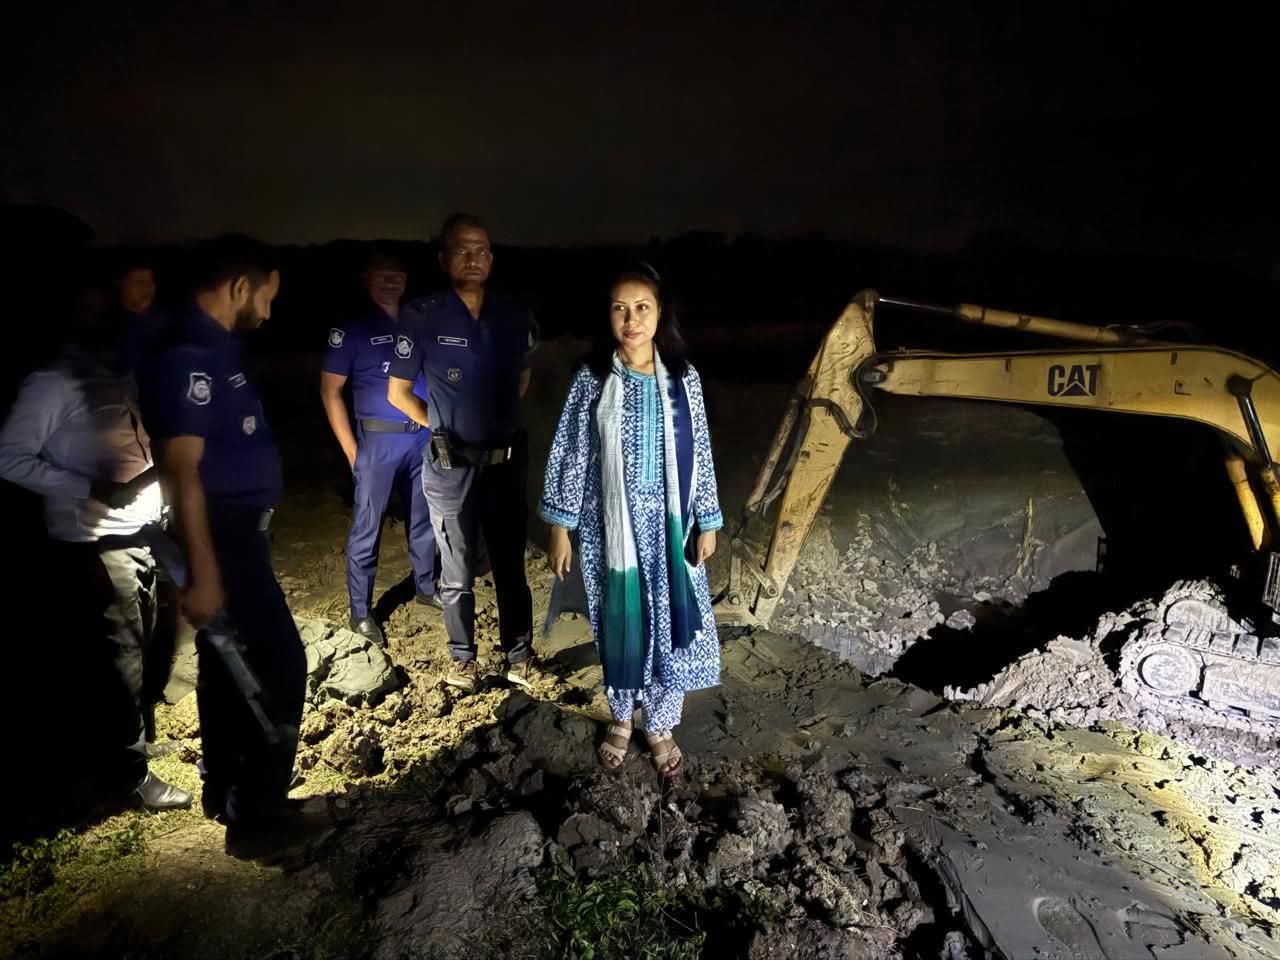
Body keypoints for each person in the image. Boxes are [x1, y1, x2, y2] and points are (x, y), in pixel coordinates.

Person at [139, 235, 312, 856]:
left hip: (237, 531)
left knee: (224, 665)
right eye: (267, 296)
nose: (268, 310)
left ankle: (225, 789)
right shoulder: (188, 354)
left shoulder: (218, 346)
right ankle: (259, 818)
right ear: (241, 286)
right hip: (223, 533)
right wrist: (204, 568)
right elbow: (182, 469)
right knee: (279, 666)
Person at [0, 274, 192, 811]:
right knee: (120, 661)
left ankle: (135, 745)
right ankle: (125, 777)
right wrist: (89, 488)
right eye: (87, 308)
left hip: (143, 533)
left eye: (104, 308)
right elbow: (8, 457)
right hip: (97, 541)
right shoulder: (52, 382)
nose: (100, 317)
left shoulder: (117, 373)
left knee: (145, 648)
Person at [539, 266, 723, 777]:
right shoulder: (593, 378)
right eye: (620, 308)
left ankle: (660, 724)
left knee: (667, 624)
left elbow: (701, 451)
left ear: (661, 313)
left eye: (642, 307)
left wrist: (708, 520)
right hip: (609, 530)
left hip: (670, 529)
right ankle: (622, 715)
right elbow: (571, 453)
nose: (631, 318)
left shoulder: (684, 379)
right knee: (619, 621)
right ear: (608, 315)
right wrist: (560, 526)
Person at [387, 214, 538, 693]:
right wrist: (442, 428)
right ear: (443, 258)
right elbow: (398, 393)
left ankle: (520, 657)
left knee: (511, 566)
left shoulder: (513, 314)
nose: (473, 259)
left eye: (482, 250)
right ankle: (462, 659)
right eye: (462, 250)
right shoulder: (422, 315)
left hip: (505, 464)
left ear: (491, 259)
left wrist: (497, 422)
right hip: (450, 466)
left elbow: (523, 375)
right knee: (456, 569)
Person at [321, 250, 440, 647]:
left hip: (421, 436)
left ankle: (426, 588)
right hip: (378, 441)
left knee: (424, 518)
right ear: (367, 279)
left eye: (397, 274)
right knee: (367, 526)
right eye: (382, 274)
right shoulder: (351, 329)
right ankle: (360, 612)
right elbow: (330, 391)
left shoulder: (417, 322)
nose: (391, 281)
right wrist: (351, 450)